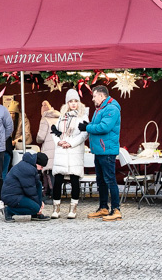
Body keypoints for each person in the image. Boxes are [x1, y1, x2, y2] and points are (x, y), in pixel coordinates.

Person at [82, 85, 123, 221]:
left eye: (94, 96)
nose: (93, 99)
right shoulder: (101, 109)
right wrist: (89, 126)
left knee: (110, 179)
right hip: (99, 150)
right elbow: (98, 126)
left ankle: (116, 209)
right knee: (101, 180)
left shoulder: (111, 108)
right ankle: (103, 207)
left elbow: (104, 127)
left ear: (101, 96)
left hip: (107, 151)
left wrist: (87, 127)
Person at [48, 90, 89, 219]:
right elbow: (55, 131)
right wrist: (59, 142)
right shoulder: (62, 116)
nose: (73, 104)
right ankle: (56, 208)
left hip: (74, 151)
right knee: (58, 180)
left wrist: (70, 143)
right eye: (70, 101)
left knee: (74, 179)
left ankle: (73, 208)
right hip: (62, 151)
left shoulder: (83, 116)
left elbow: (84, 134)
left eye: (75, 101)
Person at [2, 152, 52, 222]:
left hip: (18, 193)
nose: (41, 169)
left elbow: (34, 186)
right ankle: (9, 211)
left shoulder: (28, 165)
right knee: (35, 207)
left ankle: (35, 213)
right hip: (12, 196)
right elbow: (30, 190)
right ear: (37, 163)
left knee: (39, 184)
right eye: (41, 167)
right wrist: (38, 205)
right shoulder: (28, 169)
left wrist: (39, 202)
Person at [36, 100, 60, 200]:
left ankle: (51, 195)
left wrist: (37, 139)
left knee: (49, 173)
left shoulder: (45, 119)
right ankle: (55, 194)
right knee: (56, 173)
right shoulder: (59, 117)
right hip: (59, 148)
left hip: (48, 150)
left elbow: (40, 137)